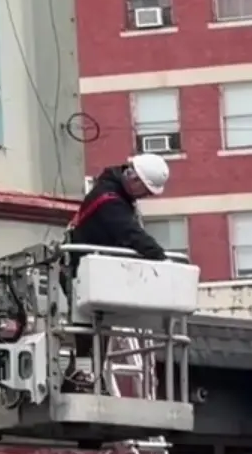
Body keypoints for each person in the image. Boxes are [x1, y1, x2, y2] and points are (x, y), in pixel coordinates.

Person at [61, 153, 171, 392]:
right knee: (87, 334)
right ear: (135, 179)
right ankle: (82, 380)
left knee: (96, 334)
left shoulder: (114, 193)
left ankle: (86, 379)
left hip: (92, 274)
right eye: (146, 191)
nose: (145, 196)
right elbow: (129, 233)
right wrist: (161, 258)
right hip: (80, 274)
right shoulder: (109, 200)